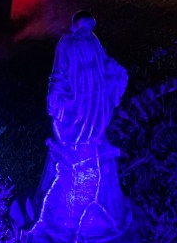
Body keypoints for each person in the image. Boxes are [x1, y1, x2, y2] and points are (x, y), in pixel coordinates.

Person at [46, 10, 127, 148]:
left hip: (96, 83)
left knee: (96, 112)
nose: (87, 31)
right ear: (77, 26)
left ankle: (93, 138)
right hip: (78, 86)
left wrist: (112, 68)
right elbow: (59, 69)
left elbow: (102, 58)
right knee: (80, 113)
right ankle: (76, 142)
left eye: (90, 28)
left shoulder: (92, 39)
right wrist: (56, 90)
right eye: (84, 28)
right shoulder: (66, 43)